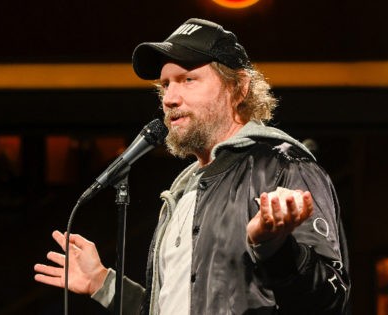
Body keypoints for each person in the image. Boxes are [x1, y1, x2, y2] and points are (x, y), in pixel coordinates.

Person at [34, 18, 351, 314]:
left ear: (238, 88)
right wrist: (103, 283)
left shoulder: (283, 167)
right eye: (165, 85)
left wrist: (275, 249)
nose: (170, 98)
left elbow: (331, 299)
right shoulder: (183, 192)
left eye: (188, 80)